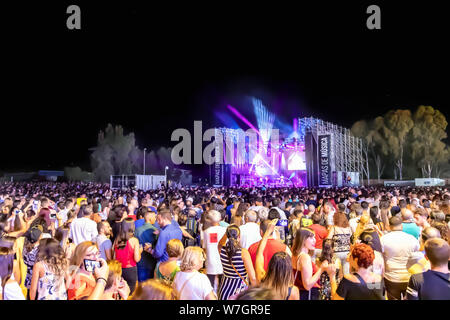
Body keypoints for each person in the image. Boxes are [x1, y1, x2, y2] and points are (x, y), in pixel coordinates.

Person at [255, 219, 300, 300]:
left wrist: (268, 232)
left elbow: (259, 253)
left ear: (271, 265)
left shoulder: (262, 280)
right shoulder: (293, 291)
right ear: (288, 268)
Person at [380, 215, 420, 300]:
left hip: (391, 277)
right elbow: (417, 255)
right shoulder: (412, 239)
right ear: (401, 225)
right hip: (409, 277)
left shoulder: (384, 239)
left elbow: (380, 257)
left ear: (390, 226)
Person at [217, 225, 256, 300]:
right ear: (239, 236)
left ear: (227, 235)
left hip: (224, 290)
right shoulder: (243, 253)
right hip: (239, 291)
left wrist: (228, 232)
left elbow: (220, 242)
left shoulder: (221, 250)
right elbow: (253, 278)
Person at [291, 227, 327, 300]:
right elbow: (307, 285)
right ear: (303, 239)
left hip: (299, 294)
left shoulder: (294, 255)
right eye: (311, 238)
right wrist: (321, 269)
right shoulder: (305, 257)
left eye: (314, 237)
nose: (314, 240)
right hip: (307, 295)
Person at [113, 217, 142, 294]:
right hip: (130, 270)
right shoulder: (134, 240)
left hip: (119, 269)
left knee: (120, 293)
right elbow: (137, 259)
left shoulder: (117, 239)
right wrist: (140, 251)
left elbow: (114, 256)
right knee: (131, 294)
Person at [202, 210, 226, 291]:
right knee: (222, 285)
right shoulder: (224, 230)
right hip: (223, 259)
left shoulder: (206, 232)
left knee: (210, 285)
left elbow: (204, 248)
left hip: (210, 259)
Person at [135, 209, 158, 282]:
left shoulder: (137, 230)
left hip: (141, 261)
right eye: (155, 217)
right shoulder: (155, 230)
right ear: (150, 219)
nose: (155, 219)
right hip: (152, 261)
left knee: (141, 286)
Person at [327, 210, 352, 275]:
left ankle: (337, 284)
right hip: (347, 252)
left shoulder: (334, 228)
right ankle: (346, 284)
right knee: (346, 272)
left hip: (336, 252)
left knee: (336, 272)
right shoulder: (348, 228)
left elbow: (328, 238)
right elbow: (350, 239)